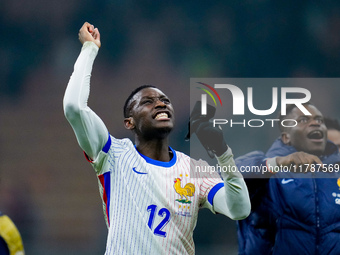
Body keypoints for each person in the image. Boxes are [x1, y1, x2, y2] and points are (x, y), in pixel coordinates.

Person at [63, 22, 250, 255]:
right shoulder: (113, 154)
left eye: (165, 100)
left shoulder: (194, 169)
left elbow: (239, 209)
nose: (161, 103)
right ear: (129, 122)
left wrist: (223, 154)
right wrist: (89, 49)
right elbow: (74, 107)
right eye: (147, 102)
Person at [235, 103, 340, 255]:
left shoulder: (335, 174)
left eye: (319, 120)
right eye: (304, 120)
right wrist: (276, 163)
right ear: (286, 137)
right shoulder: (269, 171)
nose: (315, 123)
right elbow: (223, 178)